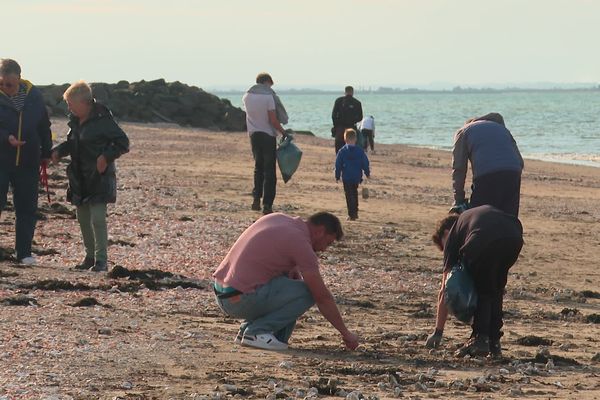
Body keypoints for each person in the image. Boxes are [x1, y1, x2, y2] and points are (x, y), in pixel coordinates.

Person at [212, 211, 360, 351]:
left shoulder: (278, 219)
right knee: (308, 292)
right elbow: (322, 297)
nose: (324, 249)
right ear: (320, 231)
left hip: (223, 293)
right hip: (239, 300)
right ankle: (256, 332)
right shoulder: (301, 243)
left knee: (290, 281)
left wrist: (291, 272)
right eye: (327, 243)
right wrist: (346, 333)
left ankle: (250, 331)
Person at [51, 81, 129, 272]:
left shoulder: (103, 120)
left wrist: (105, 157)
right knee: (83, 218)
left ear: (85, 103)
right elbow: (72, 144)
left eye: (71, 104)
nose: (68, 108)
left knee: (97, 219)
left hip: (99, 177)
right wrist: (57, 152)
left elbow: (123, 142)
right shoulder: (75, 122)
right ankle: (89, 257)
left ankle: (101, 260)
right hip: (79, 178)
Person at [426, 205, 523, 358]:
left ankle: (480, 338)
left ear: (445, 233)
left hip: (484, 239)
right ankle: (494, 342)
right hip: (514, 236)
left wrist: (438, 332)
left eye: (442, 248)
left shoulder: (452, 235)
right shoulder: (469, 220)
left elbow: (445, 288)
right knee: (495, 288)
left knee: (482, 287)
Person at [0, 59, 52, 266]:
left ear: (19, 79)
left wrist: (46, 152)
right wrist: (6, 138)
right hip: (1, 160)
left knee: (26, 208)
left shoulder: (35, 96)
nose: (5, 88)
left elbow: (44, 125)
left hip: (28, 162)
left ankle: (24, 253)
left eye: (9, 84)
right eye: (2, 83)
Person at [451, 112, 524, 216]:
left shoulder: (463, 131)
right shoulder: (502, 129)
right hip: (513, 172)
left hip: (487, 175)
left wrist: (458, 200)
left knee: (480, 218)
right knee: (509, 219)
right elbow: (520, 162)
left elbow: (459, 169)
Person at [242, 73, 288, 215]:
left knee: (258, 167)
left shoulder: (246, 96)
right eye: (270, 84)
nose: (270, 87)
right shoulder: (268, 97)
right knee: (269, 171)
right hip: (268, 135)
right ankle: (267, 204)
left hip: (254, 135)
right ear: (266, 82)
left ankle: (256, 199)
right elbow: (273, 120)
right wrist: (283, 132)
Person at [335, 129, 370, 221]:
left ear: (345, 140)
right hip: (356, 176)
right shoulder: (360, 151)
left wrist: (337, 175)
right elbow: (365, 163)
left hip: (347, 176)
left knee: (349, 194)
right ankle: (355, 211)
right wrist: (367, 172)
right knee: (354, 193)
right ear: (355, 139)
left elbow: (338, 164)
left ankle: (351, 214)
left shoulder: (342, 151)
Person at [331, 86, 363, 154]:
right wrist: (353, 120)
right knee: (351, 146)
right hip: (351, 127)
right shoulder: (357, 103)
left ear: (345, 92)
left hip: (340, 128)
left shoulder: (338, 101)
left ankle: (339, 160)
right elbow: (360, 117)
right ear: (352, 92)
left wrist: (336, 125)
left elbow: (333, 115)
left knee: (338, 147)